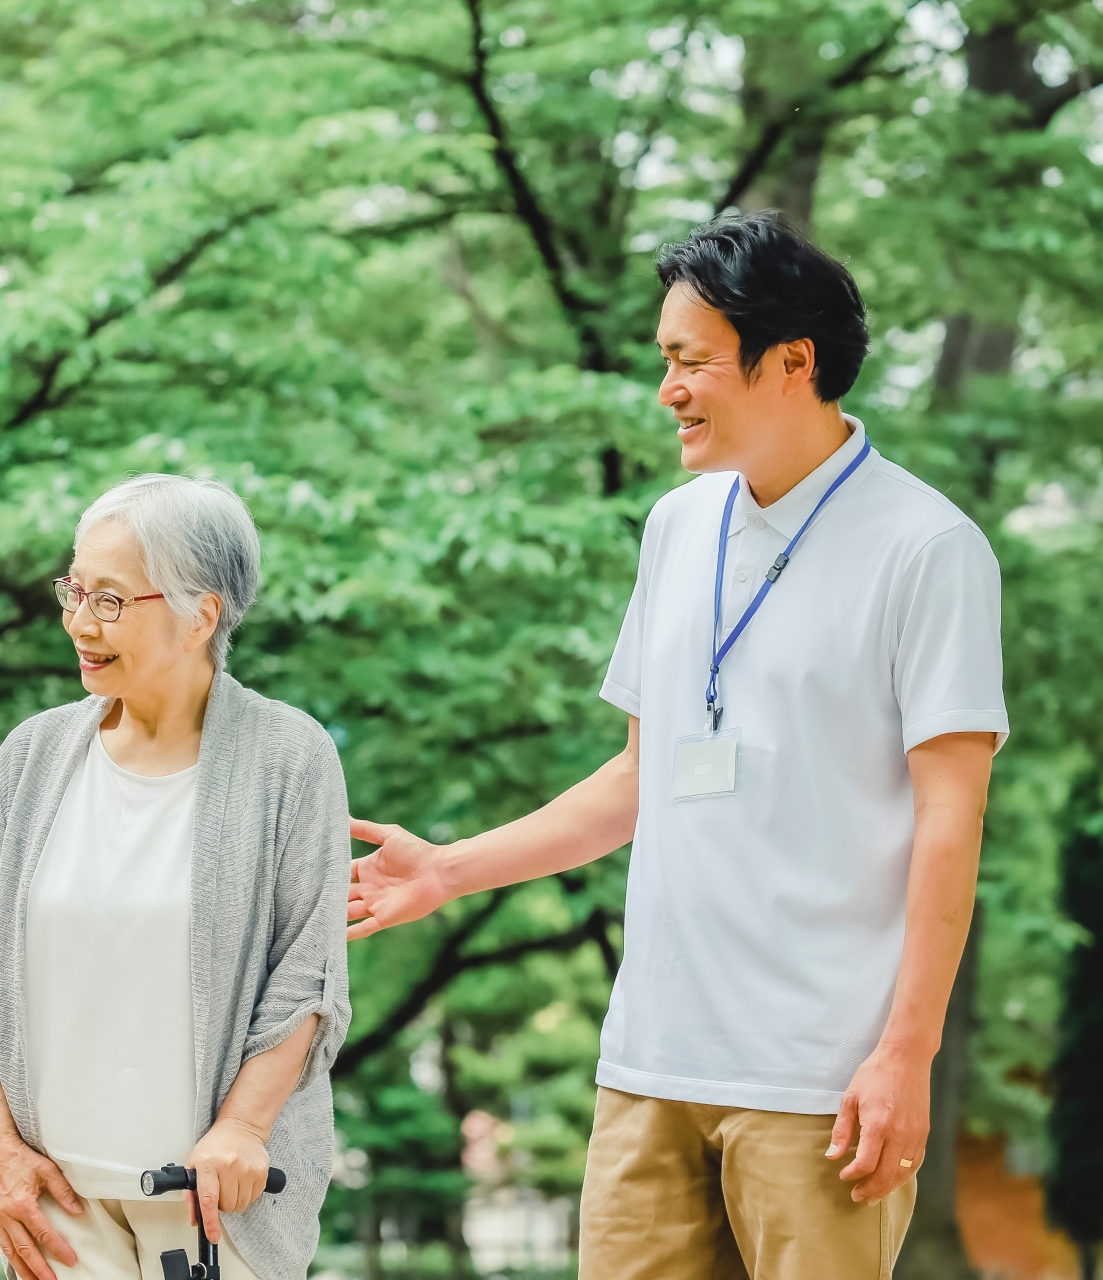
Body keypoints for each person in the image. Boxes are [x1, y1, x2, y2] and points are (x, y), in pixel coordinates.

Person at [346, 213, 1008, 1279]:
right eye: (667, 360)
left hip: (819, 1081)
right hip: (649, 1064)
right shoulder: (676, 525)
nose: (668, 389)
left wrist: (905, 1054)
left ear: (791, 361)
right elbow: (640, 778)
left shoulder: (927, 548)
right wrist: (448, 868)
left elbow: (951, 818)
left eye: (691, 360)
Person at [0, 474, 351, 1280]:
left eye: (110, 601)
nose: (79, 623)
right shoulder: (30, 758)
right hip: (59, 1201)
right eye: (75, 590)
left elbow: (307, 975)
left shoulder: (288, 757)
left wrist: (242, 1128)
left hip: (213, 1205)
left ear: (202, 615)